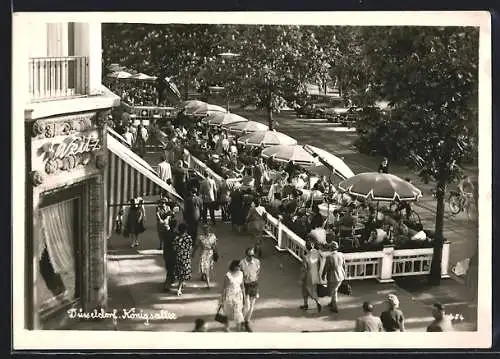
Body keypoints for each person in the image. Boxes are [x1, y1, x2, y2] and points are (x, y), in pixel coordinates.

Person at [219, 260, 246, 332]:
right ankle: (227, 326)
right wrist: (221, 299)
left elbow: (242, 287)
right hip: (229, 296)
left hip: (238, 296)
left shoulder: (241, 274)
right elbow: (224, 288)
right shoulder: (228, 275)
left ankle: (240, 326)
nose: (240, 267)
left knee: (238, 311)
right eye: (238, 266)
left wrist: (244, 298)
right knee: (228, 312)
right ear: (234, 266)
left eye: (240, 266)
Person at [239, 248, 261, 332]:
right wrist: (242, 289)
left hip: (254, 284)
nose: (251, 257)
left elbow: (258, 272)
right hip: (246, 285)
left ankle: (247, 321)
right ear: (246, 255)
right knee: (247, 306)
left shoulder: (257, 262)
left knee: (252, 306)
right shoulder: (242, 263)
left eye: (252, 255)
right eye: (249, 255)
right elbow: (240, 277)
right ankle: (241, 321)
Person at [322, 241, 346, 313]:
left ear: (330, 248)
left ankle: (335, 307)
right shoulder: (341, 255)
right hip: (341, 275)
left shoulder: (329, 257)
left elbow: (326, 267)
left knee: (334, 291)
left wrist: (323, 275)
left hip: (333, 276)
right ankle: (332, 303)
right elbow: (344, 265)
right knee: (334, 290)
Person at [299, 241, 322, 313]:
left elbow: (304, 269)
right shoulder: (317, 254)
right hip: (315, 275)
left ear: (306, 248)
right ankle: (318, 302)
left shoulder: (306, 257)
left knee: (305, 290)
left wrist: (302, 278)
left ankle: (305, 305)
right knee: (313, 290)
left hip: (308, 276)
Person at [172, 223, 193, 296]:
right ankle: (179, 288)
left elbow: (174, 248)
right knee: (183, 273)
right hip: (185, 257)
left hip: (178, 256)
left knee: (180, 272)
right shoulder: (188, 238)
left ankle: (181, 284)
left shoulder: (176, 238)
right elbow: (190, 248)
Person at [197, 224, 217, 289]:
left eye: (207, 229)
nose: (206, 231)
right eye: (204, 229)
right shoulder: (201, 237)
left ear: (209, 229)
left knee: (207, 268)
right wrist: (193, 253)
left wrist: (215, 252)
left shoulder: (213, 236)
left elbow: (215, 245)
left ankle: (205, 277)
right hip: (203, 253)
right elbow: (197, 245)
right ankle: (208, 284)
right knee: (205, 267)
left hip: (210, 254)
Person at [183, 188, 203, 252]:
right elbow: (201, 208)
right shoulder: (199, 199)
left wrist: (185, 218)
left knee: (189, 229)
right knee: (195, 229)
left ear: (191, 192)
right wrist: (200, 217)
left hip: (189, 216)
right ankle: (193, 242)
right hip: (197, 216)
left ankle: (190, 242)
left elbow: (185, 210)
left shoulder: (188, 200)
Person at [163, 218, 178, 292]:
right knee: (171, 269)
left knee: (169, 268)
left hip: (167, 254)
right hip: (173, 254)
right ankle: (167, 285)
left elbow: (164, 245)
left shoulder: (166, 233)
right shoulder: (176, 235)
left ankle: (171, 280)